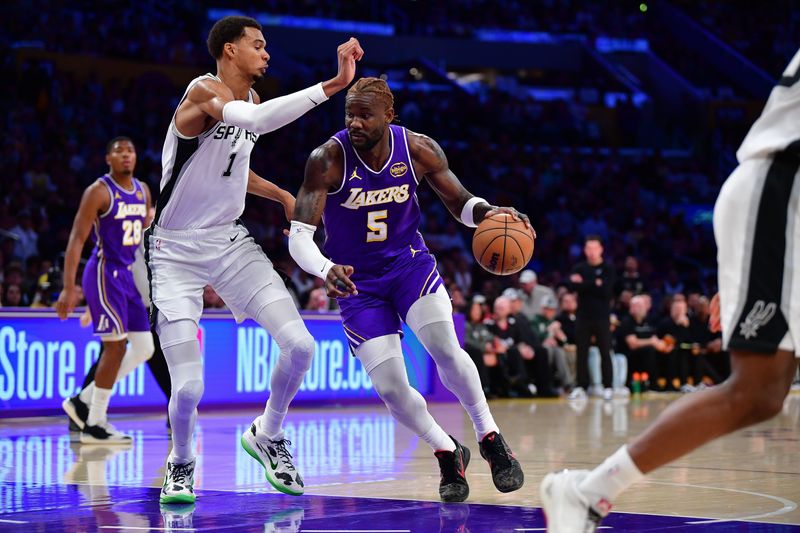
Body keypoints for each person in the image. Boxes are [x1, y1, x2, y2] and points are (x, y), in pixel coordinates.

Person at [540, 49, 800, 532]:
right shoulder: (584, 268)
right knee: (757, 388)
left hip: (781, 207)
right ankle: (586, 493)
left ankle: (587, 490)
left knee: (765, 394)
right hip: (782, 192)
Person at [147, 16, 363, 504]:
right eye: (258, 46)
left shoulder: (251, 99)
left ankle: (268, 433)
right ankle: (181, 462)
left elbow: (233, 170)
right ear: (228, 50)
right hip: (174, 252)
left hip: (228, 243)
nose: (267, 55)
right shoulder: (203, 92)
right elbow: (259, 125)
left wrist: (282, 195)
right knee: (187, 390)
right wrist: (333, 85)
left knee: (302, 346)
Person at [288, 77, 525, 502]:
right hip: (356, 282)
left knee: (445, 348)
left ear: (389, 116)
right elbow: (298, 236)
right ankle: (448, 450)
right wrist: (324, 268)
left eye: (365, 114)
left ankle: (490, 436)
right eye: (349, 114)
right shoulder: (327, 159)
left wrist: (488, 212)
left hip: (407, 264)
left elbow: (460, 201)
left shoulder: (417, 148)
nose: (355, 122)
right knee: (392, 389)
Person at [56, 137, 155, 444]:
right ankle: (95, 423)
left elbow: (138, 245)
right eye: (119, 151)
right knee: (116, 347)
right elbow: (76, 239)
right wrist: (68, 288)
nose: (126, 155)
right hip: (103, 272)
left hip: (126, 276)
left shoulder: (143, 191)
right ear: (107, 158)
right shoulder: (98, 191)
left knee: (144, 348)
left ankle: (82, 401)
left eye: (130, 151)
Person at [567, 235, 616, 401]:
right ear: (584, 250)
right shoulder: (579, 267)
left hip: (602, 316)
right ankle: (581, 386)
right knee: (582, 352)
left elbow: (607, 291)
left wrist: (584, 284)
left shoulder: (608, 268)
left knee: (605, 351)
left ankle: (608, 386)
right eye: (589, 248)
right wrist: (595, 283)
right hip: (583, 316)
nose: (592, 252)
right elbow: (572, 285)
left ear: (601, 249)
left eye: (595, 248)